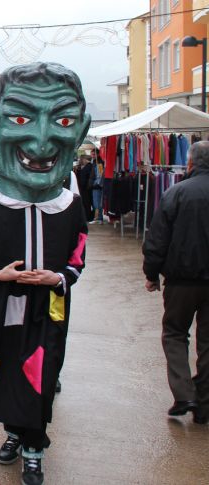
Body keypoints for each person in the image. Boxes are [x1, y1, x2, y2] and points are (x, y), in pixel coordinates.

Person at [0, 62, 91, 485]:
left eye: (64, 120)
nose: (41, 138)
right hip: (3, 308)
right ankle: (13, 433)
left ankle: (34, 448)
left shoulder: (70, 205)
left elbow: (78, 256)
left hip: (49, 310)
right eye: (20, 118)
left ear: (80, 132)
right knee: (4, 372)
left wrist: (59, 279)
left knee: (43, 375)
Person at [142, 140, 209, 426]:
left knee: (174, 333)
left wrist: (151, 273)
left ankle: (184, 394)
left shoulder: (176, 193)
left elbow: (157, 239)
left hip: (181, 280)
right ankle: (203, 402)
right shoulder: (176, 192)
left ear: (190, 163)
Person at [88, 157, 104, 224]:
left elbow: (99, 177)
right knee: (96, 203)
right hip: (96, 186)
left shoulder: (99, 165)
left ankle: (99, 218)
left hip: (97, 187)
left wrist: (95, 183)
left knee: (97, 203)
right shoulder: (97, 165)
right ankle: (98, 218)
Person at [77, 155, 94, 221]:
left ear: (85, 159)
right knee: (87, 203)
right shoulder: (88, 166)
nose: (81, 161)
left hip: (85, 188)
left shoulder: (88, 167)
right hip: (86, 188)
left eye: (82, 159)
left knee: (87, 203)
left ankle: (88, 217)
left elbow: (84, 178)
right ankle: (88, 216)